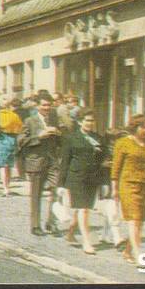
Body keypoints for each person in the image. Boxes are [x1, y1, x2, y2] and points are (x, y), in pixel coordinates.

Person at [112, 114, 145, 264]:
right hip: (128, 185)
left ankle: (128, 252)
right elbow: (116, 167)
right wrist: (114, 188)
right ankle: (138, 253)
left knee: (140, 221)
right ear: (135, 127)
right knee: (133, 219)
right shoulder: (123, 143)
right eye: (143, 127)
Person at [58, 109, 105, 254]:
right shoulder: (71, 138)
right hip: (76, 178)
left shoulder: (98, 138)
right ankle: (86, 242)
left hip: (92, 178)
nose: (90, 123)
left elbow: (102, 161)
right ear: (79, 122)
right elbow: (65, 161)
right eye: (87, 120)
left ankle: (71, 233)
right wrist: (61, 184)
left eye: (92, 121)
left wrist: (104, 182)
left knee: (83, 209)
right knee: (83, 209)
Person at [18, 95, 62, 235]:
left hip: (52, 162)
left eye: (49, 105)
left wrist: (59, 134)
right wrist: (39, 137)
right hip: (36, 161)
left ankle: (51, 222)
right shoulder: (30, 121)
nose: (47, 108)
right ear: (37, 106)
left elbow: (61, 141)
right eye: (44, 105)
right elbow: (21, 141)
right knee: (36, 194)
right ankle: (35, 225)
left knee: (57, 191)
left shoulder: (54, 120)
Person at [0, 95, 23, 196]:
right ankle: (8, 186)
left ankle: (5, 188)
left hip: (1, 139)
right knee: (9, 164)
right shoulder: (14, 115)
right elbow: (20, 127)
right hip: (12, 139)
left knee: (2, 165)